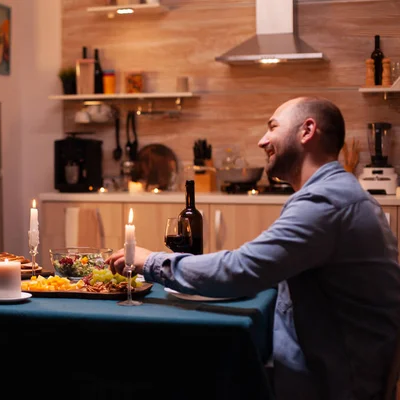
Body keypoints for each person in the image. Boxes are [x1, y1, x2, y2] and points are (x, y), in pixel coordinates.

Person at [107, 96, 400, 400]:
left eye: (272, 127)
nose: (262, 141)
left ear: (307, 130)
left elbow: (242, 269)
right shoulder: (336, 193)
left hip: (334, 384)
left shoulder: (324, 203)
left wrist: (151, 261)